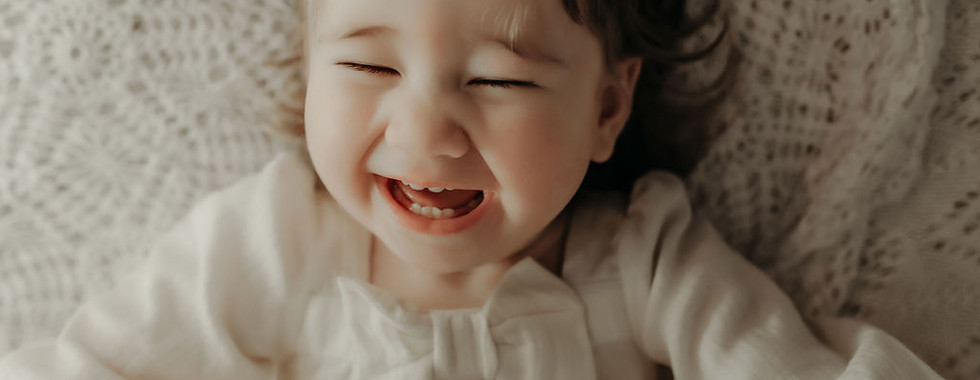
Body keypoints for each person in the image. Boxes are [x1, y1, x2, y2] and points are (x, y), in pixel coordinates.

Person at [0, 0, 944, 378]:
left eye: (501, 81)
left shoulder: (642, 262)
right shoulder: (291, 238)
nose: (424, 133)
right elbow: (102, 366)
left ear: (608, 107)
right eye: (368, 69)